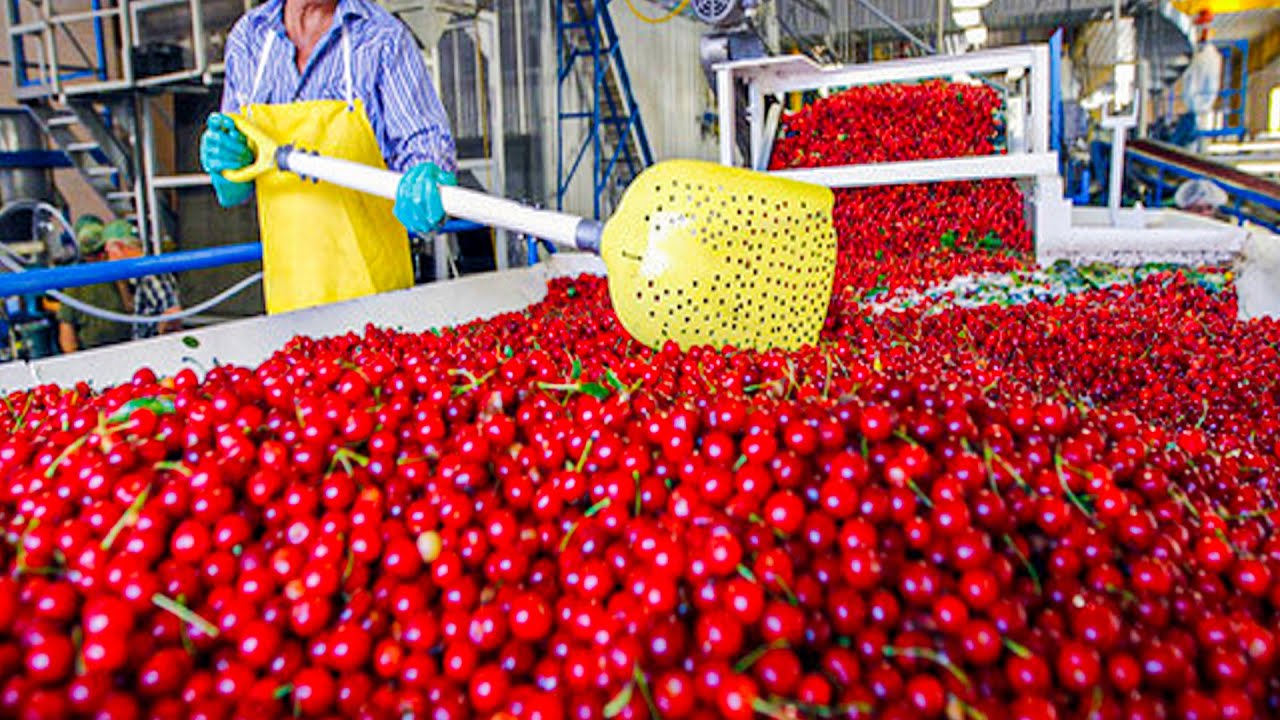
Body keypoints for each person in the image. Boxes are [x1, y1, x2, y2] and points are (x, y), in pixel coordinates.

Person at [200, 0, 458, 315]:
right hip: (289, 296)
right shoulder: (249, 37)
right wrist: (226, 165)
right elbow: (237, 156)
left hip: (374, 291)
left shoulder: (382, 37)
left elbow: (422, 141)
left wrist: (428, 172)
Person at [57, 215, 133, 353]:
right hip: (92, 352)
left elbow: (131, 308)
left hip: (125, 346)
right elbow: (67, 336)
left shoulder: (117, 274)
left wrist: (121, 283)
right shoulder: (76, 283)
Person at [102, 219, 184, 339]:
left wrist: (154, 338)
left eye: (108, 252)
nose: (108, 260)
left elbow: (173, 312)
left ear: (118, 247)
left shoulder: (151, 275)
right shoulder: (142, 275)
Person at [1182, 16, 1222, 152]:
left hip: (1201, 106)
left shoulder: (1211, 57)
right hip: (1194, 106)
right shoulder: (1198, 55)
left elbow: (1211, 84)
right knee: (1191, 143)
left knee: (1197, 143)